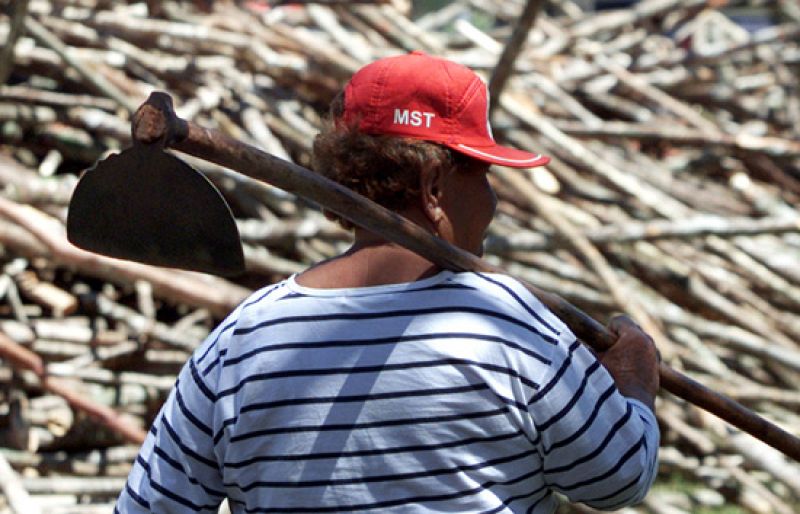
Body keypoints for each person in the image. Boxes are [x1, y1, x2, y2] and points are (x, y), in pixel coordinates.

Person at [115, 51, 660, 513]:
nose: (493, 203)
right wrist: (634, 381)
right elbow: (618, 478)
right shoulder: (510, 326)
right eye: (484, 176)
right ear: (434, 185)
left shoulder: (240, 343)